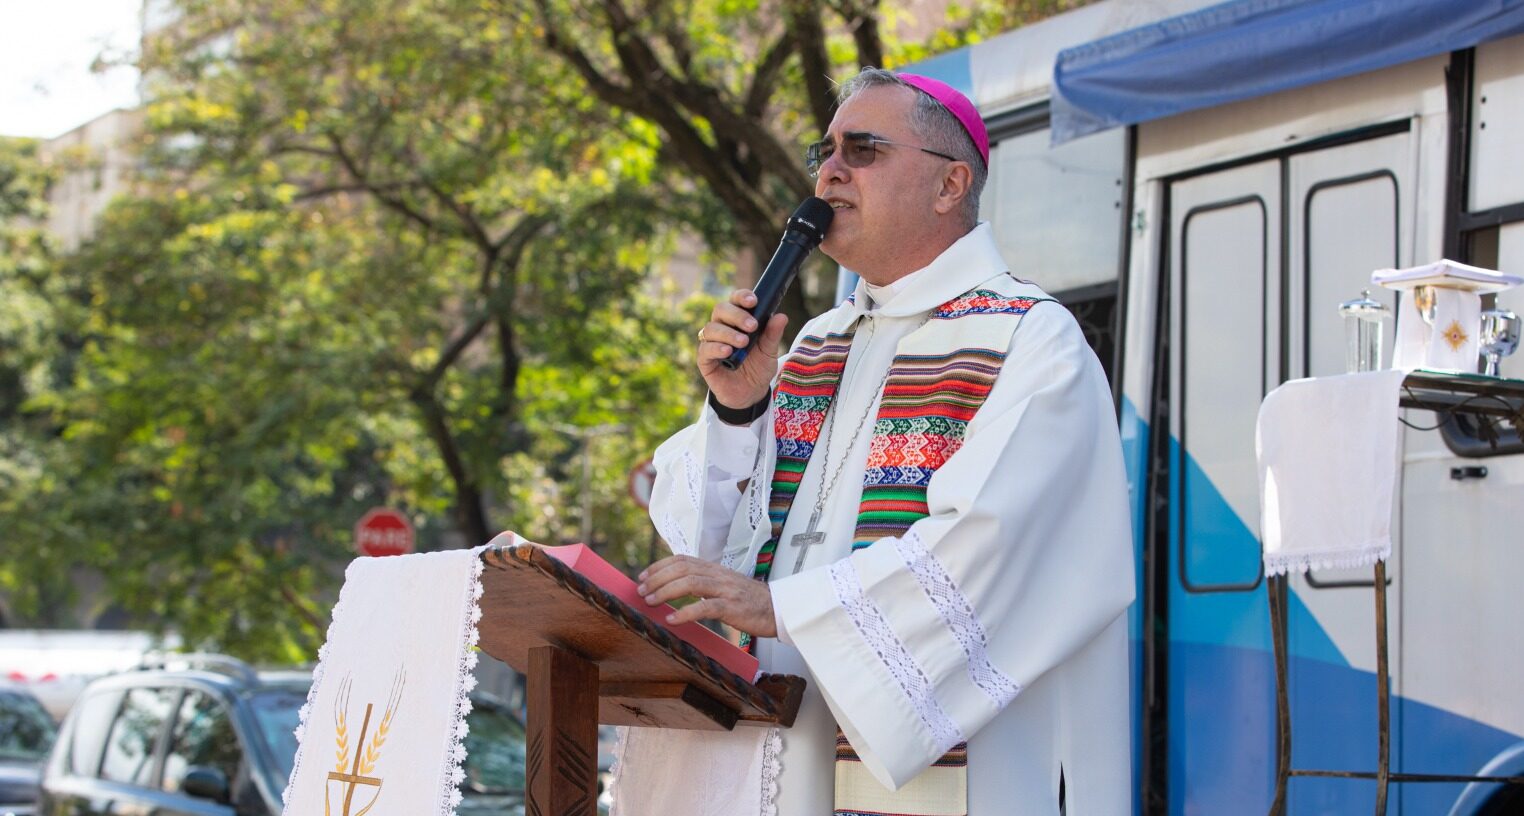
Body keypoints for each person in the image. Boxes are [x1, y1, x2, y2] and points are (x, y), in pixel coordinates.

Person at [616, 68, 1134, 816]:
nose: (829, 171)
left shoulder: (1029, 336)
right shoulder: (816, 346)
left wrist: (786, 608)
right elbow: (705, 544)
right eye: (822, 151)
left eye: (862, 148)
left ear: (950, 185)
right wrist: (735, 409)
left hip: (952, 768)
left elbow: (992, 547)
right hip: (783, 752)